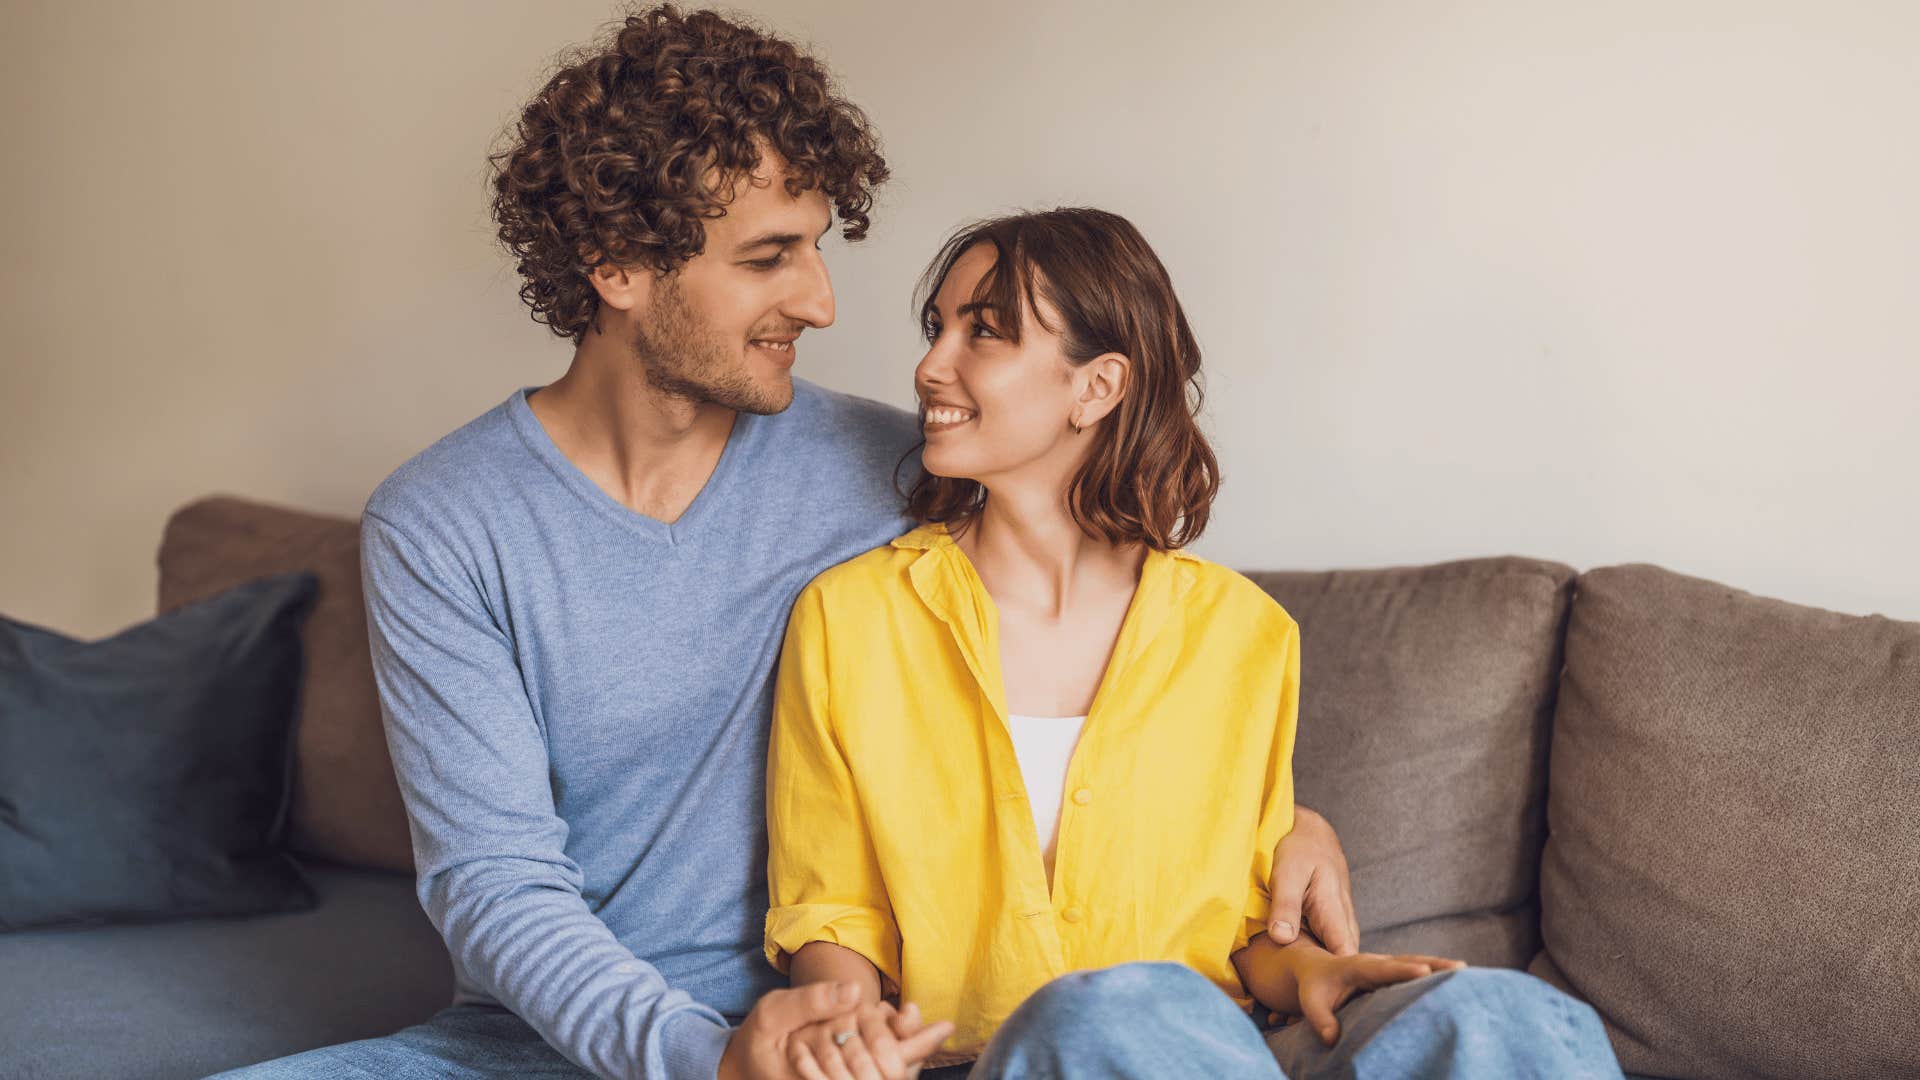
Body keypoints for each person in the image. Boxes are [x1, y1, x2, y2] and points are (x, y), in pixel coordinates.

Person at [212, 9, 1362, 1080]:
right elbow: (495, 882)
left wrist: (1287, 827)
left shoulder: (899, 468)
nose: (819, 302)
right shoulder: (445, 522)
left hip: (848, 1041)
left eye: (818, 249)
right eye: (770, 258)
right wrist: (703, 1055)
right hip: (558, 1037)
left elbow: (1124, 631)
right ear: (618, 268)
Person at [762, 209, 1626, 1080]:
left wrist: (1315, 972)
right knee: (1110, 1014)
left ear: (1096, 388)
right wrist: (847, 1034)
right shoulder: (851, 618)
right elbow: (831, 909)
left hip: (1209, 1052)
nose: (928, 366)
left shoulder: (1242, 633)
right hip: (1001, 1057)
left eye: (983, 332)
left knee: (1503, 1018)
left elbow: (1244, 928)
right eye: (936, 327)